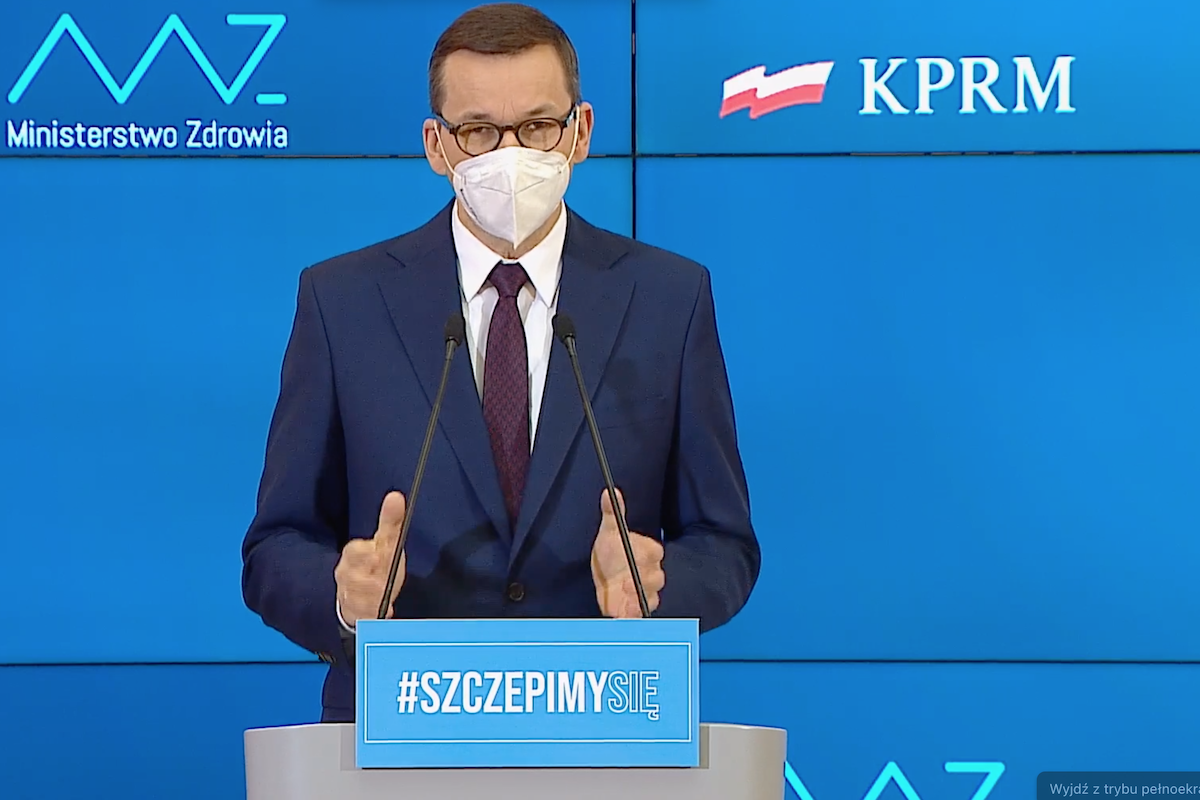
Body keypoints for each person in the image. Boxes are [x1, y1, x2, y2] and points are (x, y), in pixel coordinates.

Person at [241, 2, 760, 723]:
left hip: (605, 726)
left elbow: (724, 542)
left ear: (581, 132)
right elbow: (276, 544)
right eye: (479, 131)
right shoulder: (342, 301)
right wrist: (341, 595)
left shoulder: (668, 298)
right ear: (437, 146)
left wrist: (657, 590)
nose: (509, 155)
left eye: (538, 126)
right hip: (399, 730)